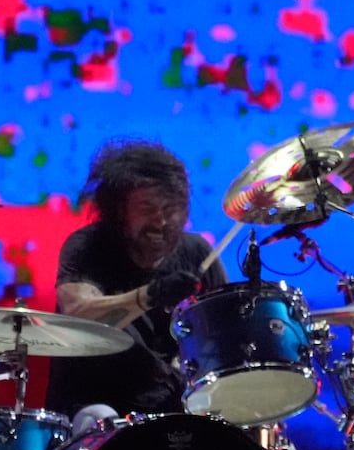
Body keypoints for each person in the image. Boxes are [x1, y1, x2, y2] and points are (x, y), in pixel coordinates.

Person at [45, 139, 230, 423]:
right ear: (120, 210)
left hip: (177, 410)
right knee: (101, 419)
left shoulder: (197, 254)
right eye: (147, 207)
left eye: (171, 208)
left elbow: (226, 335)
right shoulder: (88, 247)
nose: (161, 221)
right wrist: (149, 295)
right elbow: (78, 318)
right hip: (98, 409)